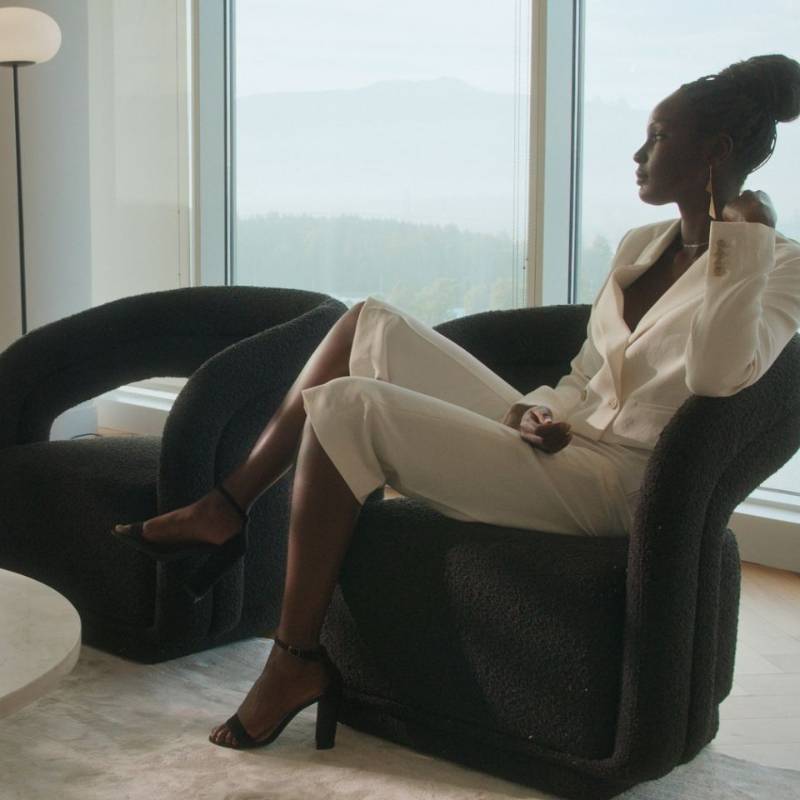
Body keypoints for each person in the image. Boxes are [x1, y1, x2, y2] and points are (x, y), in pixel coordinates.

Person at [113, 53, 800, 751]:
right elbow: (588, 372)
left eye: (657, 137)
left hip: (618, 485)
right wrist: (538, 410)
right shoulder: (640, 246)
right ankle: (227, 506)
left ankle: (295, 658)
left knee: (348, 406)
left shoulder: (779, 265)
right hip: (562, 440)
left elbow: (718, 378)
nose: (638, 153)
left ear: (713, 153)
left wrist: (741, 241)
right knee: (366, 323)